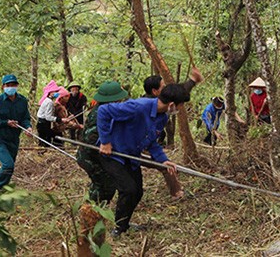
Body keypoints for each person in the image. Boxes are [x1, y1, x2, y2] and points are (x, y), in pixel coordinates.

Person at [97, 67, 202, 236]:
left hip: (131, 156)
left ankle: (124, 225)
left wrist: (163, 160)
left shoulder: (162, 117)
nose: (179, 110)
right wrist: (106, 141)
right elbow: (103, 111)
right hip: (113, 154)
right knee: (128, 189)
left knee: (137, 191)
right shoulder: (138, 107)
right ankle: (117, 229)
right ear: (172, 105)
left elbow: (152, 141)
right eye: (180, 107)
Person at [76, 81, 127, 204]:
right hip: (91, 157)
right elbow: (90, 138)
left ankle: (95, 212)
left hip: (97, 157)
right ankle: (92, 213)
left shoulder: (107, 110)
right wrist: (106, 144)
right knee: (105, 186)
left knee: (103, 185)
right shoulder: (100, 113)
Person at [0, 74, 32, 191]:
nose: (11, 87)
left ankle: (4, 188)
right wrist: (6, 123)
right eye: (8, 85)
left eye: (13, 85)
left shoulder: (22, 101)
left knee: (11, 166)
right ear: (3, 87)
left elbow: (25, 118)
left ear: (17, 86)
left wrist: (28, 127)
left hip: (14, 139)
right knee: (7, 165)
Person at [36, 80, 62, 147]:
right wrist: (59, 119)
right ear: (50, 93)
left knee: (45, 140)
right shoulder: (49, 102)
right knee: (46, 141)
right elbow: (48, 117)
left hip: (42, 123)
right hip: (43, 124)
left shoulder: (47, 101)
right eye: (55, 92)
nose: (57, 93)